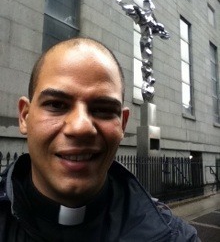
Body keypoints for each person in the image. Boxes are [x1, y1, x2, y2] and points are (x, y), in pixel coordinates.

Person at [0, 37, 200, 241]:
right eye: (56, 105)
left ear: (122, 124)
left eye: (103, 109)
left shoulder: (175, 237)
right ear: (25, 117)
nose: (81, 127)